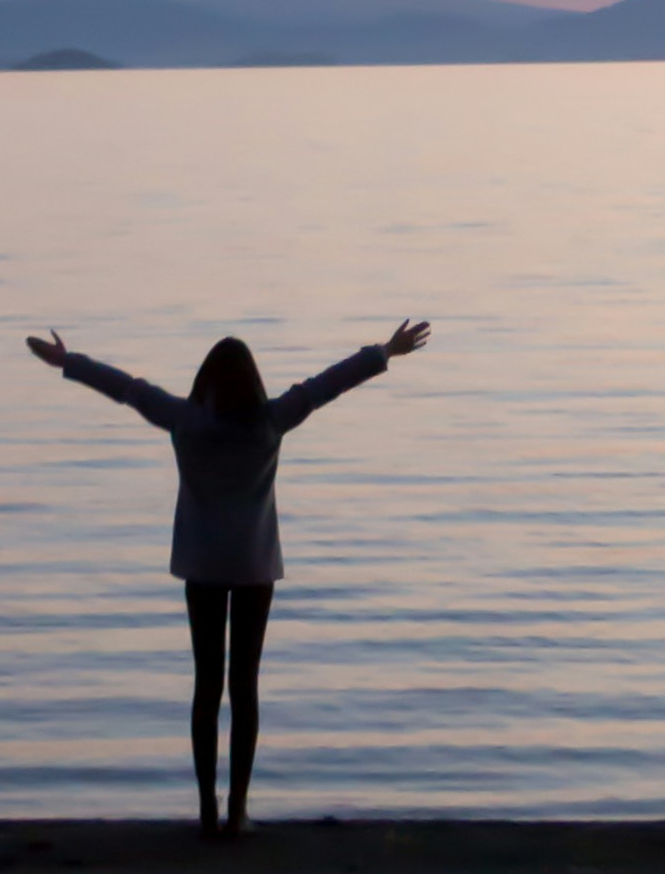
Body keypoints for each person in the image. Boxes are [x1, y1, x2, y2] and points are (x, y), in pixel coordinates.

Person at [25, 315, 431, 832]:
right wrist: (385, 352)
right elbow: (328, 384)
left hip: (203, 564)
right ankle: (238, 808)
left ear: (206, 380)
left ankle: (205, 809)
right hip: (255, 564)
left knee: (206, 686)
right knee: (245, 687)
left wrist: (69, 362)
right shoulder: (270, 420)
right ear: (253, 380)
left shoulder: (184, 420)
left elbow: (127, 389)